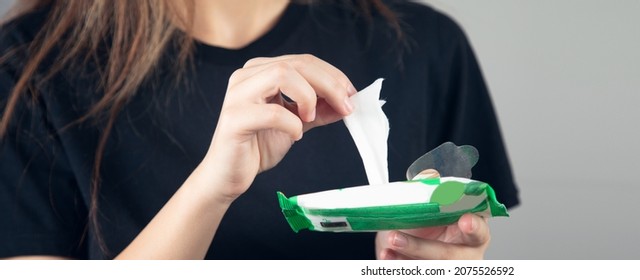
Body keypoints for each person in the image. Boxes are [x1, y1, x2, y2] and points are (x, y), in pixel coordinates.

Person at [0, 0, 518, 259]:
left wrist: (443, 258)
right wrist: (212, 189)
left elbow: (465, 249)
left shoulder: (427, 45)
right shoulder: (26, 69)